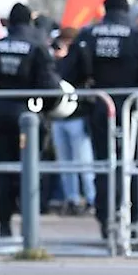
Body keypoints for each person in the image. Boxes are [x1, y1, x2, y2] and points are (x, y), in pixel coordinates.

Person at [0, 3, 62, 237]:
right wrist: (45, 109)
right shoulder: (37, 49)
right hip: (27, 117)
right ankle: (29, 227)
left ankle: (4, 223)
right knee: (28, 169)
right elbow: (52, 89)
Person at [62, 0, 138, 239]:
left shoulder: (89, 35)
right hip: (133, 110)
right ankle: (132, 219)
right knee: (132, 163)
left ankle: (106, 218)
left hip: (100, 108)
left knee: (104, 163)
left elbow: (68, 74)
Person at [49, 28, 95, 215]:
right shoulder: (55, 61)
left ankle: (91, 198)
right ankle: (72, 198)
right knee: (65, 162)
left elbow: (85, 73)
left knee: (84, 161)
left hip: (77, 115)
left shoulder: (79, 56)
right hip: (58, 116)